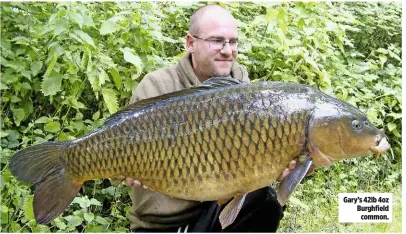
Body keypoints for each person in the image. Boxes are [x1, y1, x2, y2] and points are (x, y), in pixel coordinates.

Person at [115, 4, 308, 232]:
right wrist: (130, 166)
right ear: (190, 43)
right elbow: (123, 140)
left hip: (214, 209)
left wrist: (280, 162)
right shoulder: (158, 86)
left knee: (264, 200)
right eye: (217, 41)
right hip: (163, 223)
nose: (228, 50)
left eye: (233, 42)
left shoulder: (241, 86)